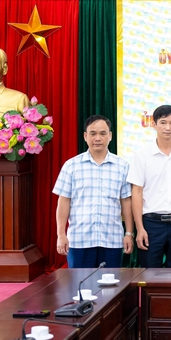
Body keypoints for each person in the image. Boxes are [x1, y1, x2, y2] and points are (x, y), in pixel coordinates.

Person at [53, 115, 133, 268]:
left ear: (110, 136)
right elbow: (64, 201)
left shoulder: (123, 166)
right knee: (80, 287)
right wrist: (61, 234)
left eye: (103, 133)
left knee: (111, 288)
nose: (98, 138)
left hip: (112, 239)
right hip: (80, 239)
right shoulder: (71, 166)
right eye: (93, 133)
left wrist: (129, 233)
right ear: (85, 136)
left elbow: (126, 202)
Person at [127, 105, 171, 268]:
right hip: (151, 224)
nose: (168, 127)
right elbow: (136, 192)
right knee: (150, 274)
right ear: (154, 124)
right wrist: (140, 228)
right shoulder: (142, 155)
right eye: (163, 122)